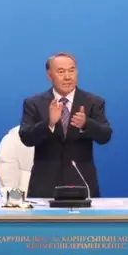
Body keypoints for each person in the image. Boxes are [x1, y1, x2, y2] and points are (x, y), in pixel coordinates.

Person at [19, 53, 112, 199]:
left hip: (82, 183)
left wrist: (86, 123)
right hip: (44, 186)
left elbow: (105, 136)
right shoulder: (34, 103)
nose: (68, 77)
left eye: (71, 70)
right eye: (61, 72)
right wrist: (49, 123)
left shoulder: (93, 102)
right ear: (50, 76)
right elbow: (26, 138)